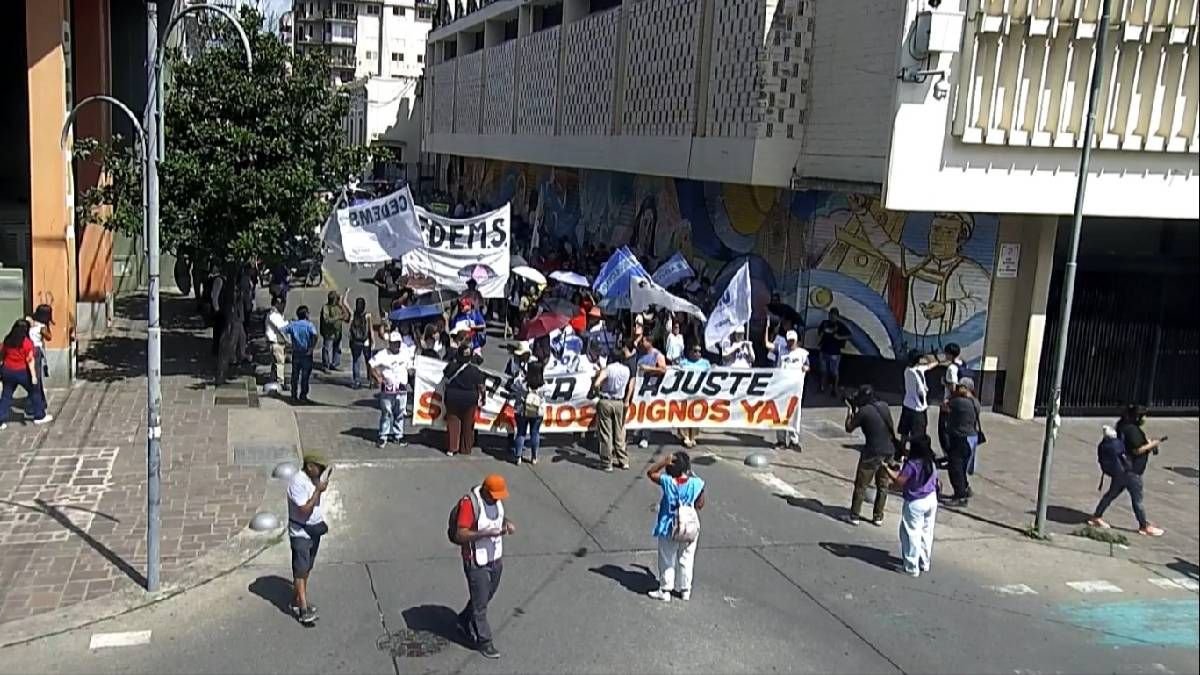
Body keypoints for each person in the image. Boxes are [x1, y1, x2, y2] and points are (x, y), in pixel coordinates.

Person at [453, 474, 515, 660]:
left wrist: (506, 524)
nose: (498, 499)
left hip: (494, 558)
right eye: (495, 496)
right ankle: (484, 640)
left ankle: (464, 619)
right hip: (476, 560)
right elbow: (459, 534)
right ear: (486, 492)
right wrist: (484, 533)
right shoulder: (469, 504)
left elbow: (498, 517)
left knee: (487, 594)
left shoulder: (495, 501)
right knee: (480, 604)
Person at [1089, 405, 1166, 537]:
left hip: (1122, 468)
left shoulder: (1122, 425)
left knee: (1111, 494)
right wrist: (1153, 444)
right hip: (1132, 470)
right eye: (1143, 416)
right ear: (1137, 417)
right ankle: (1144, 526)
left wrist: (1148, 443)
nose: (1145, 419)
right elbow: (1137, 450)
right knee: (1137, 499)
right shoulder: (1132, 430)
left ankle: (1096, 517)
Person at [646, 451, 706, 602]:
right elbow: (700, 504)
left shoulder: (667, 481)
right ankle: (686, 590)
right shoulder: (696, 483)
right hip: (690, 526)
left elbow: (651, 473)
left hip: (669, 526)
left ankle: (665, 590)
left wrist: (663, 462)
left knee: (667, 558)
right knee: (687, 558)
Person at [288, 452, 331, 625]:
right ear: (309, 466)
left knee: (307, 568)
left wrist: (321, 484)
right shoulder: (297, 482)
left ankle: (297, 598)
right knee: (300, 569)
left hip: (314, 529)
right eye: (319, 468)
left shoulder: (314, 479)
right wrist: (317, 491)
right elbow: (304, 510)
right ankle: (303, 608)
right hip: (300, 532)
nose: (320, 471)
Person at [887, 434, 939, 577]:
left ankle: (911, 566)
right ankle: (924, 562)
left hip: (915, 502)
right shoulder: (931, 461)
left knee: (911, 534)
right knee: (926, 532)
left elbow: (900, 482)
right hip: (931, 498)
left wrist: (887, 469)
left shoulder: (912, 464)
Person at [844, 385, 895, 526]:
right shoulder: (884, 406)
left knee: (861, 485)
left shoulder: (864, 412)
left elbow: (849, 428)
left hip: (872, 453)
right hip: (888, 451)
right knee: (883, 486)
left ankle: (854, 515)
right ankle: (878, 516)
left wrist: (850, 411)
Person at [0, 320, 51, 428]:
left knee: (6, 395)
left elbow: (2, 354)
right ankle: (39, 416)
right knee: (35, 392)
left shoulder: (7, 340)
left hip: (7, 371)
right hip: (22, 372)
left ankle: (1, 419)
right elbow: (30, 360)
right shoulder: (26, 343)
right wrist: (33, 376)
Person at [593, 341, 634, 472]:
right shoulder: (626, 370)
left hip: (606, 400)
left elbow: (597, 383)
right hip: (619, 401)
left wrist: (598, 391)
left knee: (606, 433)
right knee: (619, 432)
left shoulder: (608, 369)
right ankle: (623, 460)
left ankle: (607, 462)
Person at [369, 331, 414, 448]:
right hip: (388, 387)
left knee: (400, 412)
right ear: (390, 343)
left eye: (398, 343)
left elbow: (410, 367)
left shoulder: (405, 353)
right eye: (394, 343)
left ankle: (398, 435)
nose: (396, 345)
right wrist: (378, 378)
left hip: (402, 387)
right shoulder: (383, 354)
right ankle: (383, 435)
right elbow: (371, 364)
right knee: (386, 412)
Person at [768, 330, 809, 451]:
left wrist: (805, 368)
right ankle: (781, 440)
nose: (790, 343)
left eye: (793, 341)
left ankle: (794, 440)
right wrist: (768, 327)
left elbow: (807, 365)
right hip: (782, 390)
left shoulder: (802, 353)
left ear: (796, 341)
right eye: (789, 341)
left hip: (795, 391)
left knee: (794, 415)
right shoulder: (781, 350)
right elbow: (767, 344)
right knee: (780, 414)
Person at [443, 344, 486, 456]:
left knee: (453, 423)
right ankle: (465, 448)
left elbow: (445, 377)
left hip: (453, 398)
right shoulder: (475, 370)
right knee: (468, 425)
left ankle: (452, 448)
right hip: (470, 399)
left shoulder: (451, 366)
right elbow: (481, 386)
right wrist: (483, 398)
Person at [942, 378, 979, 506]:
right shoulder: (975, 402)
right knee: (962, 467)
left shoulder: (958, 402)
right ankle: (965, 488)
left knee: (955, 467)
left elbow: (945, 406)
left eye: (960, 387)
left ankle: (960, 496)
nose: (957, 389)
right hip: (970, 438)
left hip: (959, 438)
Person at [633, 335, 667, 449]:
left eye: (643, 341)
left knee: (647, 411)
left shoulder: (657, 355)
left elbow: (663, 369)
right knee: (637, 410)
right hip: (638, 388)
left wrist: (649, 369)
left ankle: (645, 437)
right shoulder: (639, 353)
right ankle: (635, 432)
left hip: (650, 388)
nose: (641, 343)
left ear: (649, 342)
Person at [899, 351, 936, 452]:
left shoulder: (911, 369)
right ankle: (914, 451)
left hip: (908, 404)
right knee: (918, 432)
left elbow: (931, 365)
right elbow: (920, 389)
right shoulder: (913, 372)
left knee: (904, 430)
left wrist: (926, 357)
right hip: (917, 408)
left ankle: (901, 449)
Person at [676, 344, 710, 448]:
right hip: (685, 393)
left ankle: (693, 436)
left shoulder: (705, 363)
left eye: (699, 351)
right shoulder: (683, 363)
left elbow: (711, 373)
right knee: (684, 414)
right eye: (695, 351)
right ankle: (685, 436)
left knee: (696, 415)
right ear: (690, 352)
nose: (697, 353)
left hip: (698, 393)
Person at [511, 362, 545, 465]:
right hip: (537, 412)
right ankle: (534, 457)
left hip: (522, 411)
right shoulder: (543, 385)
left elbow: (513, 387)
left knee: (521, 433)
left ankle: (518, 457)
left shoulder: (521, 383)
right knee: (535, 433)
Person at [284, 306, 319, 403]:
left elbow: (282, 330)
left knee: (294, 375)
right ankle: (303, 395)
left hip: (296, 352)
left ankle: (293, 394)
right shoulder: (309, 325)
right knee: (305, 376)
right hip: (306, 352)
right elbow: (315, 336)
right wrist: (311, 347)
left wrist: (288, 342)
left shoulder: (293, 325)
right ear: (306, 314)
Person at [937, 342, 964, 456]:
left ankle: (948, 455)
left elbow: (953, 387)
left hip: (949, 402)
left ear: (950, 354)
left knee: (943, 430)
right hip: (960, 402)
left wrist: (944, 382)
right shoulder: (962, 364)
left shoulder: (952, 368)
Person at [818, 308, 851, 394]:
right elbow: (819, 334)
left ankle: (835, 388)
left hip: (835, 352)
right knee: (823, 370)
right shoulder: (825, 323)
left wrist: (839, 337)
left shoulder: (840, 325)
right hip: (824, 350)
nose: (832, 317)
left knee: (834, 372)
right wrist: (823, 332)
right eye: (831, 315)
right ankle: (822, 386)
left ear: (837, 316)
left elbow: (849, 335)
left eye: (834, 315)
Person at [320, 291, 350, 371]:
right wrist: (338, 317)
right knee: (327, 349)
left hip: (337, 332)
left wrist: (342, 305)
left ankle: (335, 364)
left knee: (337, 349)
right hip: (329, 333)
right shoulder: (326, 308)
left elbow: (347, 318)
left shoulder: (339, 307)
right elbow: (326, 320)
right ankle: (326, 365)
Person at [28, 305, 52, 403]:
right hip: (36, 352)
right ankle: (35, 402)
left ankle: (40, 400)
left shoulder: (30, 322)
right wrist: (47, 326)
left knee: (34, 377)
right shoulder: (42, 327)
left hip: (28, 350)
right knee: (37, 378)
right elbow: (49, 337)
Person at [348, 298, 374, 389]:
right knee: (369, 361)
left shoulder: (353, 314)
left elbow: (350, 328)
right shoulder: (368, 315)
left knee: (356, 361)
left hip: (355, 342)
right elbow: (370, 329)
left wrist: (346, 294)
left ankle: (357, 381)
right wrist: (373, 340)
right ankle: (371, 381)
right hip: (366, 341)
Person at [265, 297, 290, 392]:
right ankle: (280, 382)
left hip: (277, 343)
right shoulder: (273, 315)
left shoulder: (277, 315)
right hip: (276, 343)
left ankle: (273, 379)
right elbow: (282, 329)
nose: (283, 306)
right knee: (279, 363)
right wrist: (288, 340)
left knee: (275, 363)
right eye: (281, 303)